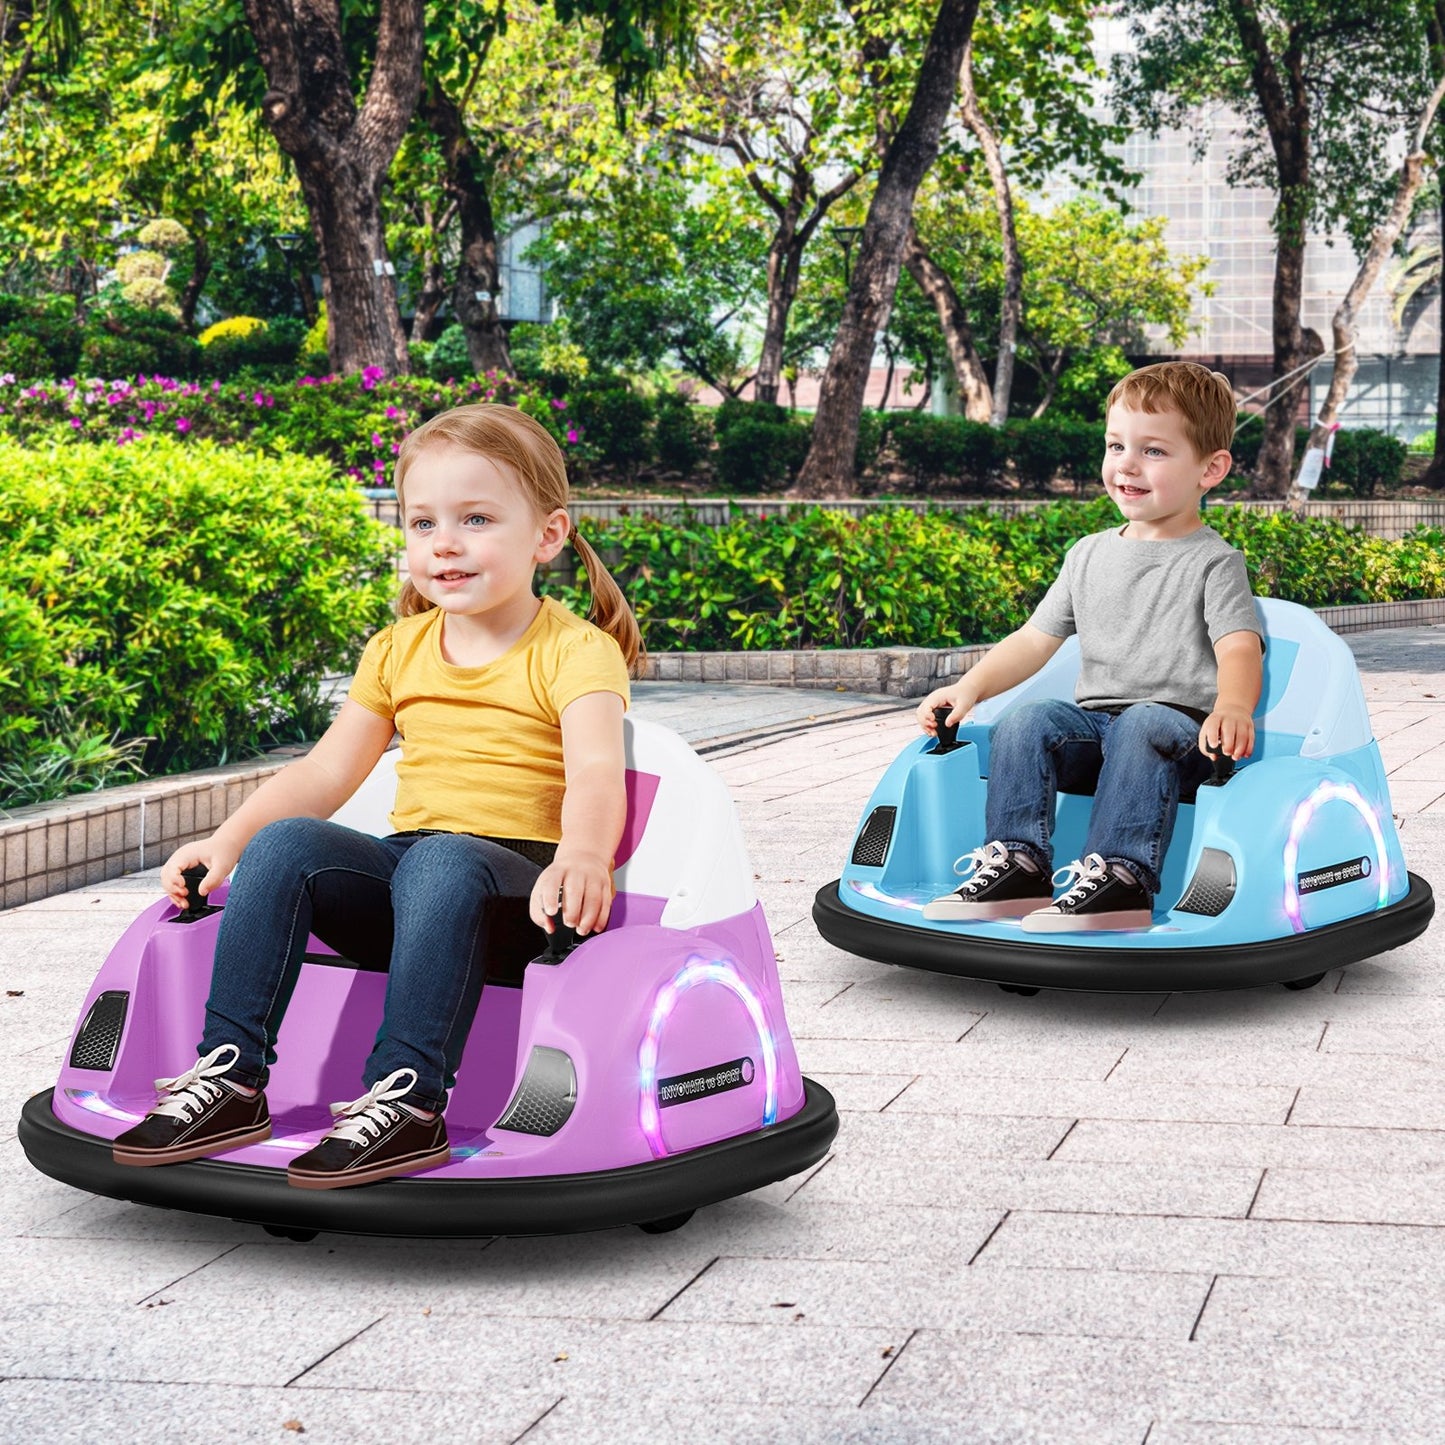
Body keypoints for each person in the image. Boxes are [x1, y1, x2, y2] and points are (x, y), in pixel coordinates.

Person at [113, 403, 640, 1187]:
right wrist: (227, 843)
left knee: (443, 861)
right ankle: (228, 1076)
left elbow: (598, 770)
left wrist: (586, 855)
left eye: (475, 519)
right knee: (288, 843)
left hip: (519, 900)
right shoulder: (397, 648)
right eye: (422, 522)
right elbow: (322, 774)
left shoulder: (574, 650)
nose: (445, 543)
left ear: (548, 536)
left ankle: (408, 1101)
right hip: (411, 885)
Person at [917, 362, 1263, 932]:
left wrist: (1233, 706)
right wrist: (968, 687)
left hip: (1182, 739)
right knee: (1027, 721)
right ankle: (1020, 865)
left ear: (1211, 468)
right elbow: (1033, 639)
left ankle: (1123, 882)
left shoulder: (1213, 562)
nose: (1126, 463)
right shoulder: (1087, 555)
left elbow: (1239, 647)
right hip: (1100, 730)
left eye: (1153, 451)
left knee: (1143, 722)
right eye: (1115, 445)